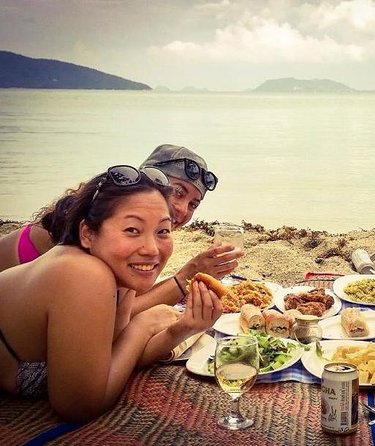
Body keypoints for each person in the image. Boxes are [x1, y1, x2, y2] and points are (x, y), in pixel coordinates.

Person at [0, 165, 224, 422]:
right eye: (132, 230)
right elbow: (78, 405)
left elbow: (112, 357)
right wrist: (141, 326)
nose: (151, 249)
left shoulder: (119, 275)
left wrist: (181, 330)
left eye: (162, 231)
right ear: (87, 233)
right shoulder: (84, 272)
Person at [0, 144, 242, 313]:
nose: (182, 209)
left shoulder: (135, 233)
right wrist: (186, 275)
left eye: (193, 204)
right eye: (177, 191)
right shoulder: (96, 229)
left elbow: (128, 299)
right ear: (148, 181)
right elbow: (115, 318)